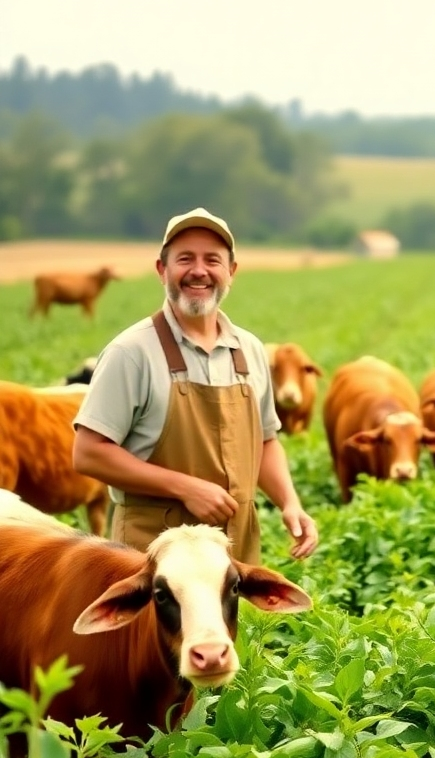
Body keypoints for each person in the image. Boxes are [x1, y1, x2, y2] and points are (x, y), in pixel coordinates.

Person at [72, 207, 318, 564]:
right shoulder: (132, 352)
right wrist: (184, 487)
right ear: (162, 270)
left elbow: (265, 441)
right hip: (153, 556)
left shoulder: (249, 350)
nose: (199, 271)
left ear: (231, 272)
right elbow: (89, 452)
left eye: (213, 260)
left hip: (232, 554)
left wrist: (290, 503)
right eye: (185, 259)